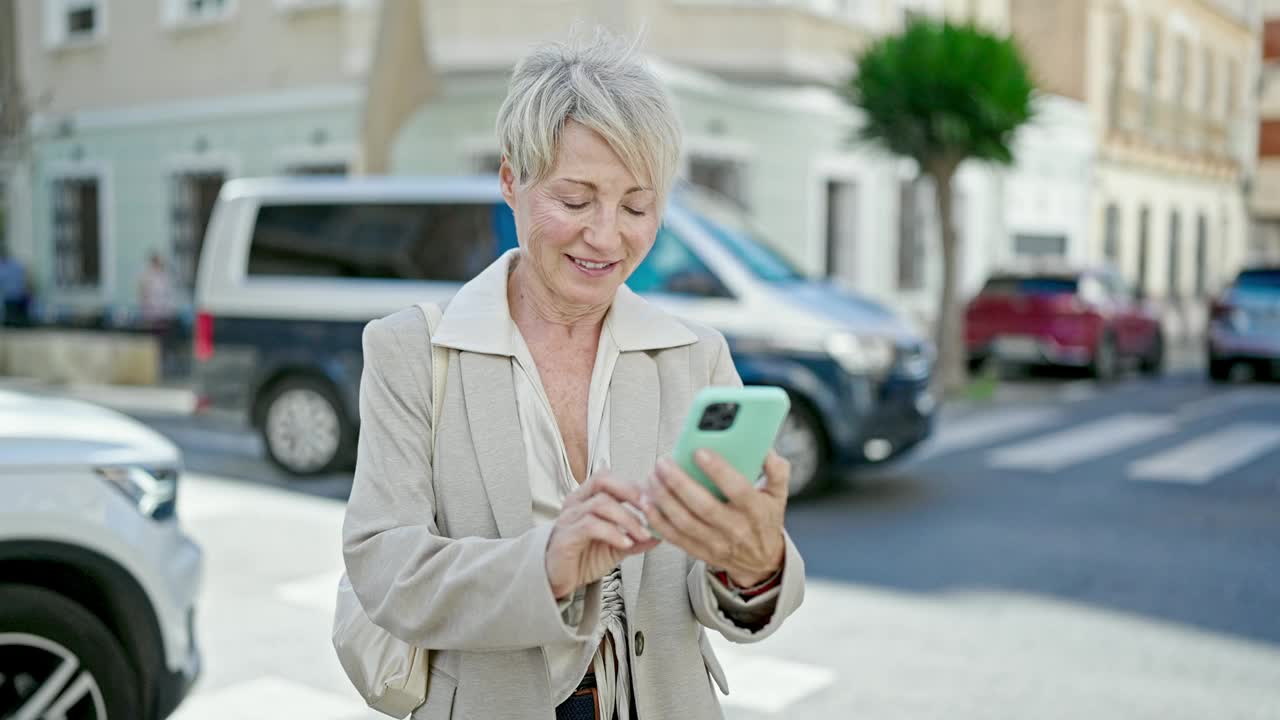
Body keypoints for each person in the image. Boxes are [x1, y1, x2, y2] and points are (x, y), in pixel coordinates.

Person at [342, 30, 804, 720]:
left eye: (637, 206)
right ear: (511, 182)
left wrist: (756, 561)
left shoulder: (695, 354)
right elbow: (385, 569)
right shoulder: (411, 350)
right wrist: (549, 561)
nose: (607, 235)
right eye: (576, 199)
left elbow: (725, 590)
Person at [0, 249, 31, 327]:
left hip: (10, 295)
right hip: (19, 294)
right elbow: (25, 278)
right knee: (18, 318)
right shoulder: (17, 265)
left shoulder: (4, 267)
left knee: (11, 317)